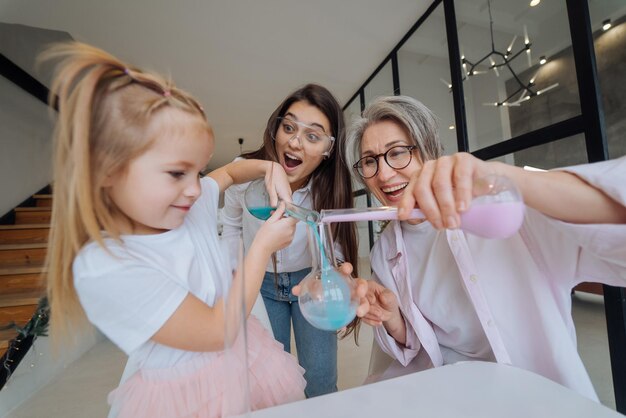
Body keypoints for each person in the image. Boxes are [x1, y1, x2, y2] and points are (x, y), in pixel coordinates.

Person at [44, 42, 306, 418]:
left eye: (196, 171)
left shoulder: (187, 207)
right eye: (176, 173)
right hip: (185, 399)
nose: (196, 188)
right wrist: (262, 248)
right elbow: (218, 331)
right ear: (106, 170)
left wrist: (271, 169)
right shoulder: (107, 266)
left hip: (246, 361)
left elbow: (230, 172)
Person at [344, 95, 626, 401]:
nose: (383, 175)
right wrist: (392, 319)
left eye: (397, 153)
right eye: (370, 161)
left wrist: (503, 178)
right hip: (456, 395)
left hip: (539, 397)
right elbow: (417, 344)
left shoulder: (507, 212)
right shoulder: (384, 251)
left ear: (429, 151)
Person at [221, 84, 359, 397]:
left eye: (312, 135)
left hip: (309, 286)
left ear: (328, 148)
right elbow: (230, 226)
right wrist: (235, 277)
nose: (295, 141)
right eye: (289, 127)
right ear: (276, 129)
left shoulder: (328, 189)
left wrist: (335, 282)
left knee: (321, 382)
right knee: (268, 387)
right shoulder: (244, 174)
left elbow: (334, 244)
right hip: (260, 288)